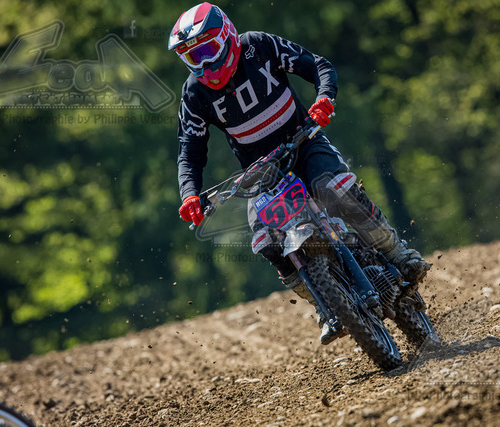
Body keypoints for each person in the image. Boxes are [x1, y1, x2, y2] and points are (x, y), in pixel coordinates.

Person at [169, 2, 429, 344]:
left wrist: (324, 97)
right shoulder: (194, 93)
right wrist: (189, 193)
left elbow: (318, 65)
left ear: (228, 36)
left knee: (334, 189)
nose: (204, 65)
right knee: (266, 242)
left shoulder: (258, 46)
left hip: (304, 142)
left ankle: (398, 254)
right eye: (193, 57)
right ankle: (324, 304)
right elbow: (189, 151)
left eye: (207, 51)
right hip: (261, 173)